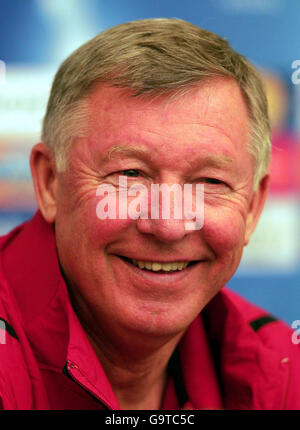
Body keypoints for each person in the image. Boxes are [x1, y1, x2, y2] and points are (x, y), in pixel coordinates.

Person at [0, 18, 299, 411]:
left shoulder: (280, 367)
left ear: (253, 207)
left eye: (209, 181)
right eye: (129, 174)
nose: (169, 225)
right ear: (50, 181)